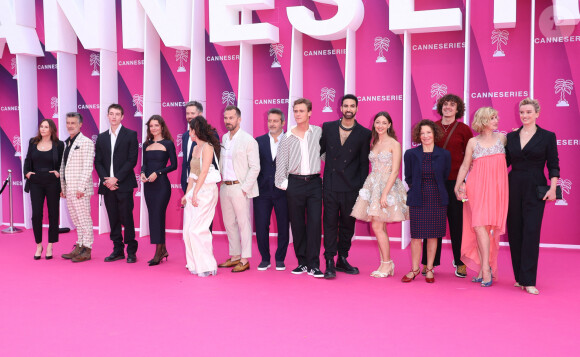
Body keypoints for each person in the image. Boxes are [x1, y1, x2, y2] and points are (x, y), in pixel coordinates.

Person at [505, 98, 560, 295]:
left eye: (529, 112)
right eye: (522, 112)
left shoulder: (547, 136)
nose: (525, 115)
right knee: (514, 231)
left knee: (531, 231)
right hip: (513, 186)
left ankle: (529, 280)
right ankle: (520, 277)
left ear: (537, 113)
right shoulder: (511, 137)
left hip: (537, 187)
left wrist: (552, 188)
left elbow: (553, 164)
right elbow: (503, 164)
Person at [454, 107, 508, 287]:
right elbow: (464, 166)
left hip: (497, 189)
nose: (496, 120)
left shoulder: (502, 139)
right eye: (493, 117)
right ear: (484, 120)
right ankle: (485, 268)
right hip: (475, 188)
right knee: (478, 226)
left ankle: (484, 268)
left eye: (496, 117)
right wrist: (458, 185)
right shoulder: (472, 142)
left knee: (488, 228)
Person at [319, 94, 372, 279]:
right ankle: (329, 261)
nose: (348, 109)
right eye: (345, 106)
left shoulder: (365, 133)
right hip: (331, 185)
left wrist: (362, 189)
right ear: (340, 108)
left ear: (357, 109)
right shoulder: (328, 127)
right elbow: (321, 151)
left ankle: (342, 258)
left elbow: (364, 163)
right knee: (330, 224)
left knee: (348, 225)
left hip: (352, 187)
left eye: (352, 106)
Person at [351, 112, 409, 278]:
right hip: (373, 184)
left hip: (388, 186)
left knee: (376, 226)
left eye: (384, 122)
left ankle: (387, 264)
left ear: (390, 124)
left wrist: (384, 194)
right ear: (374, 124)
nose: (380, 125)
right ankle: (387, 263)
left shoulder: (394, 143)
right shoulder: (374, 142)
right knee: (379, 226)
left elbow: (395, 170)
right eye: (378, 122)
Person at [423, 94, 473, 278]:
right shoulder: (431, 127)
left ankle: (460, 262)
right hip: (433, 182)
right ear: (440, 107)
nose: (448, 107)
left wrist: (465, 184)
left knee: (457, 224)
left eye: (452, 105)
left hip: (456, 183)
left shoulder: (464, 129)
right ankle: (430, 263)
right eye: (445, 104)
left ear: (458, 109)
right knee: (431, 224)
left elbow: (471, 157)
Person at [275, 98, 324, 278]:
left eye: (301, 111)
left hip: (314, 184)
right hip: (294, 184)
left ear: (310, 113)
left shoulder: (318, 132)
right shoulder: (287, 137)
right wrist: (289, 186)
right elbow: (281, 165)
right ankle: (302, 262)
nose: (298, 114)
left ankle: (314, 265)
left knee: (314, 224)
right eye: (295, 111)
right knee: (297, 225)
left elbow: (326, 154)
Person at [402, 120, 450, 283]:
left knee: (433, 236)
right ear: (418, 136)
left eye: (428, 132)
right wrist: (415, 187)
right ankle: (415, 269)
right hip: (417, 197)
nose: (425, 136)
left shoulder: (444, 154)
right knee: (416, 236)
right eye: (422, 133)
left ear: (434, 134)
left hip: (437, 198)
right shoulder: (410, 154)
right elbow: (408, 176)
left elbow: (445, 176)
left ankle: (429, 269)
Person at [217, 105, 260, 273]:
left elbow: (255, 167)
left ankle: (245, 258)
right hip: (225, 186)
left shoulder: (249, 140)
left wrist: (244, 188)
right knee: (229, 223)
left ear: (239, 119)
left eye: (231, 118)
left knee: (243, 224)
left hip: (239, 187)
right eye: (226, 118)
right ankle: (235, 256)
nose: (228, 121)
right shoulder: (224, 139)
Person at [95, 104, 139, 263]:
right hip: (107, 185)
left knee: (127, 217)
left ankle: (131, 250)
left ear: (122, 117)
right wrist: (106, 180)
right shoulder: (101, 137)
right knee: (113, 218)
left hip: (124, 184)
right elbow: (98, 162)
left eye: (117, 114)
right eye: (111, 114)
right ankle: (118, 249)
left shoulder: (131, 135)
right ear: (107, 116)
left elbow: (131, 160)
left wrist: (116, 178)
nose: (114, 117)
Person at [181, 116, 221, 277]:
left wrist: (196, 193)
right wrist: (188, 193)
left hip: (207, 191)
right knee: (187, 231)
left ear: (196, 130)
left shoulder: (208, 147)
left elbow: (204, 171)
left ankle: (207, 266)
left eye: (190, 129)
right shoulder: (195, 148)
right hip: (195, 190)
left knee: (198, 230)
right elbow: (193, 173)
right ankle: (194, 264)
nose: (188, 132)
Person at [254, 108, 289, 271]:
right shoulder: (258, 141)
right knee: (261, 226)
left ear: (283, 123)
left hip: (284, 191)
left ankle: (280, 258)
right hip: (262, 191)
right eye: (270, 121)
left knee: (283, 225)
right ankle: (265, 258)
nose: (272, 124)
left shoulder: (290, 140)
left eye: (275, 121)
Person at [23, 119, 65, 260]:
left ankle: (50, 246)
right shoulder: (33, 142)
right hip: (36, 182)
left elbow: (61, 163)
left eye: (46, 127)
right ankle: (39, 245)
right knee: (36, 215)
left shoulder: (59, 144)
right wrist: (27, 173)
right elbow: (28, 160)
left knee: (53, 214)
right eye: (41, 126)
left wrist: (58, 173)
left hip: (52, 182)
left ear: (52, 129)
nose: (43, 129)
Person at [141, 115, 178, 266]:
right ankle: (162, 249)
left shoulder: (168, 144)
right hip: (148, 185)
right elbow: (144, 164)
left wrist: (159, 172)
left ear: (162, 127)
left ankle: (158, 252)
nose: (154, 128)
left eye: (156, 125)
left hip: (162, 185)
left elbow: (174, 165)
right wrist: (143, 173)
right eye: (151, 126)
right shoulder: (146, 144)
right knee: (153, 216)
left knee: (158, 215)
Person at [60, 112, 95, 262]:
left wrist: (81, 187)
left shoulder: (86, 142)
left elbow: (88, 167)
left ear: (80, 124)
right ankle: (79, 246)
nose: (70, 126)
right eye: (68, 123)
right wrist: (63, 187)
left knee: (84, 219)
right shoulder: (66, 142)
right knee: (76, 219)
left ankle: (87, 249)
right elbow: (63, 167)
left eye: (73, 123)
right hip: (69, 187)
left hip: (80, 189)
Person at [180, 101, 204, 193]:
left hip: (201, 183)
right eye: (187, 113)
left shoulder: (210, 134)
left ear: (200, 114)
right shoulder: (185, 136)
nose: (189, 116)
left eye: (192, 113)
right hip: (186, 182)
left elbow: (212, 161)